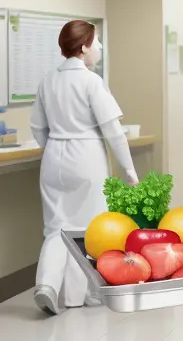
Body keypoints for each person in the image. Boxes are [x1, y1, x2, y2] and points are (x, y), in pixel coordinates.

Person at [31, 20, 139, 316]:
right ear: (83, 48)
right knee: (90, 228)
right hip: (86, 155)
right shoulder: (91, 81)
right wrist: (129, 170)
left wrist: (55, 148)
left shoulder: (48, 79)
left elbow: (37, 128)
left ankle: (48, 286)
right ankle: (83, 296)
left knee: (56, 228)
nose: (100, 47)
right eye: (97, 42)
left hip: (54, 156)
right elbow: (113, 132)